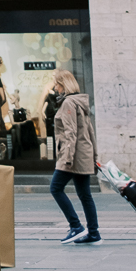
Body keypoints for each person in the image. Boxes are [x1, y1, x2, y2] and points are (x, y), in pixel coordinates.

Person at [48, 70, 101, 245]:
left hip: (73, 155)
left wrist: (67, 159)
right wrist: (94, 155)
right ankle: (93, 234)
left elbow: (70, 134)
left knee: (55, 188)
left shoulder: (69, 103)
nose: (55, 88)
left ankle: (76, 226)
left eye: (56, 84)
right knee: (85, 195)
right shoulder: (80, 102)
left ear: (63, 84)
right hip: (83, 153)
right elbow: (90, 131)